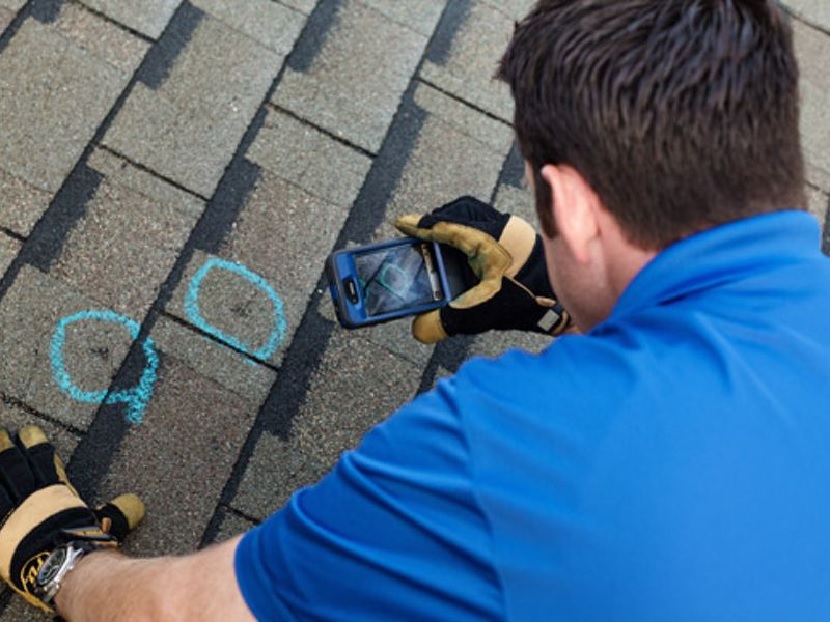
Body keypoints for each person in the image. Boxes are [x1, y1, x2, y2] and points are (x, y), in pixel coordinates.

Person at [2, 0, 829, 619]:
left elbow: (194, 614)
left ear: (572, 207)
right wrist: (554, 287)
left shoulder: (502, 451)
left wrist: (60, 563)